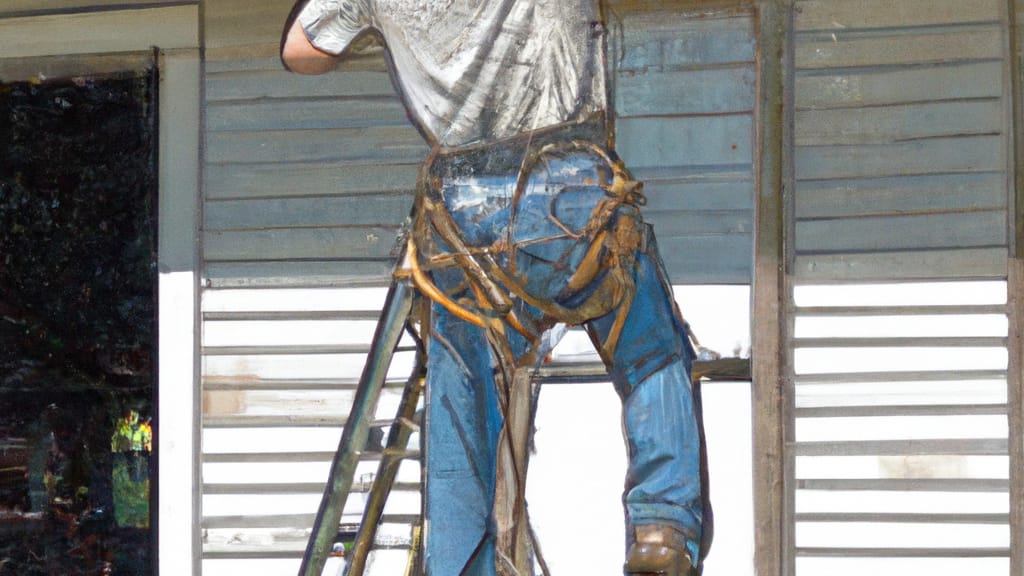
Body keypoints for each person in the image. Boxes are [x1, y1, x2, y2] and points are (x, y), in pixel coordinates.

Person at [281, 2, 710, 574]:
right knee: (651, 351)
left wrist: (395, 36)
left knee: (461, 411)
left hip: (462, 212)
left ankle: (459, 565)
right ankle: (662, 527)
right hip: (571, 187)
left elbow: (300, 49)